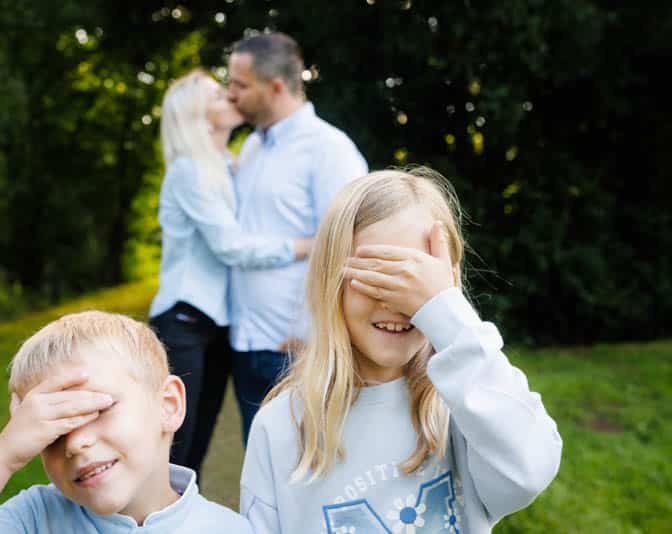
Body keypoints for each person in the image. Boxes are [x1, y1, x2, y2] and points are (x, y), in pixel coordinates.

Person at [239, 169, 563, 533]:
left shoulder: (466, 408)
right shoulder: (281, 426)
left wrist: (447, 316)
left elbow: (532, 468)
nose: (396, 303)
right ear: (330, 281)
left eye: (416, 283)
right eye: (377, 276)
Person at [0, 311, 252, 533]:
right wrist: (1, 459)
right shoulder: (33, 519)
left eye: (97, 410)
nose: (75, 443)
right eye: (53, 432)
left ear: (168, 405)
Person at [149, 68, 312, 475]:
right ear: (199, 117)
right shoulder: (189, 170)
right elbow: (232, 246)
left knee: (195, 448)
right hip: (184, 321)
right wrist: (307, 246)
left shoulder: (228, 164)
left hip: (217, 325)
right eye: (219, 96)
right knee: (173, 449)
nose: (232, 98)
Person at [227, 32, 368, 442]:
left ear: (274, 87)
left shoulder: (329, 149)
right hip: (247, 341)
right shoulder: (251, 147)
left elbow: (350, 245)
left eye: (240, 84)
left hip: (297, 349)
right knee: (260, 474)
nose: (230, 94)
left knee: (308, 468)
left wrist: (315, 332)